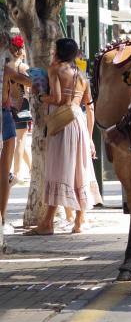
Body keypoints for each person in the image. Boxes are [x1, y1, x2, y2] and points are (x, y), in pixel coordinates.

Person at [27, 39, 102, 235]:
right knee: (79, 171)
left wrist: (40, 96)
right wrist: (91, 138)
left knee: (58, 171)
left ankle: (47, 223)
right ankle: (78, 221)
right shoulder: (82, 75)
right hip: (79, 122)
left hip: (62, 124)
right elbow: (90, 107)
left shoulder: (55, 69)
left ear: (59, 51)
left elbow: (58, 98)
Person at [0, 35, 30, 231]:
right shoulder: (7, 69)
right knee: (3, 171)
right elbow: (31, 83)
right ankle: (1, 218)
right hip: (4, 116)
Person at [8, 36, 31, 185]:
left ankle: (31, 168)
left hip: (9, 105)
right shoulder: (24, 68)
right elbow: (29, 88)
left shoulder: (6, 67)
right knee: (20, 140)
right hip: (22, 105)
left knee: (17, 141)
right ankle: (17, 173)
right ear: (22, 50)